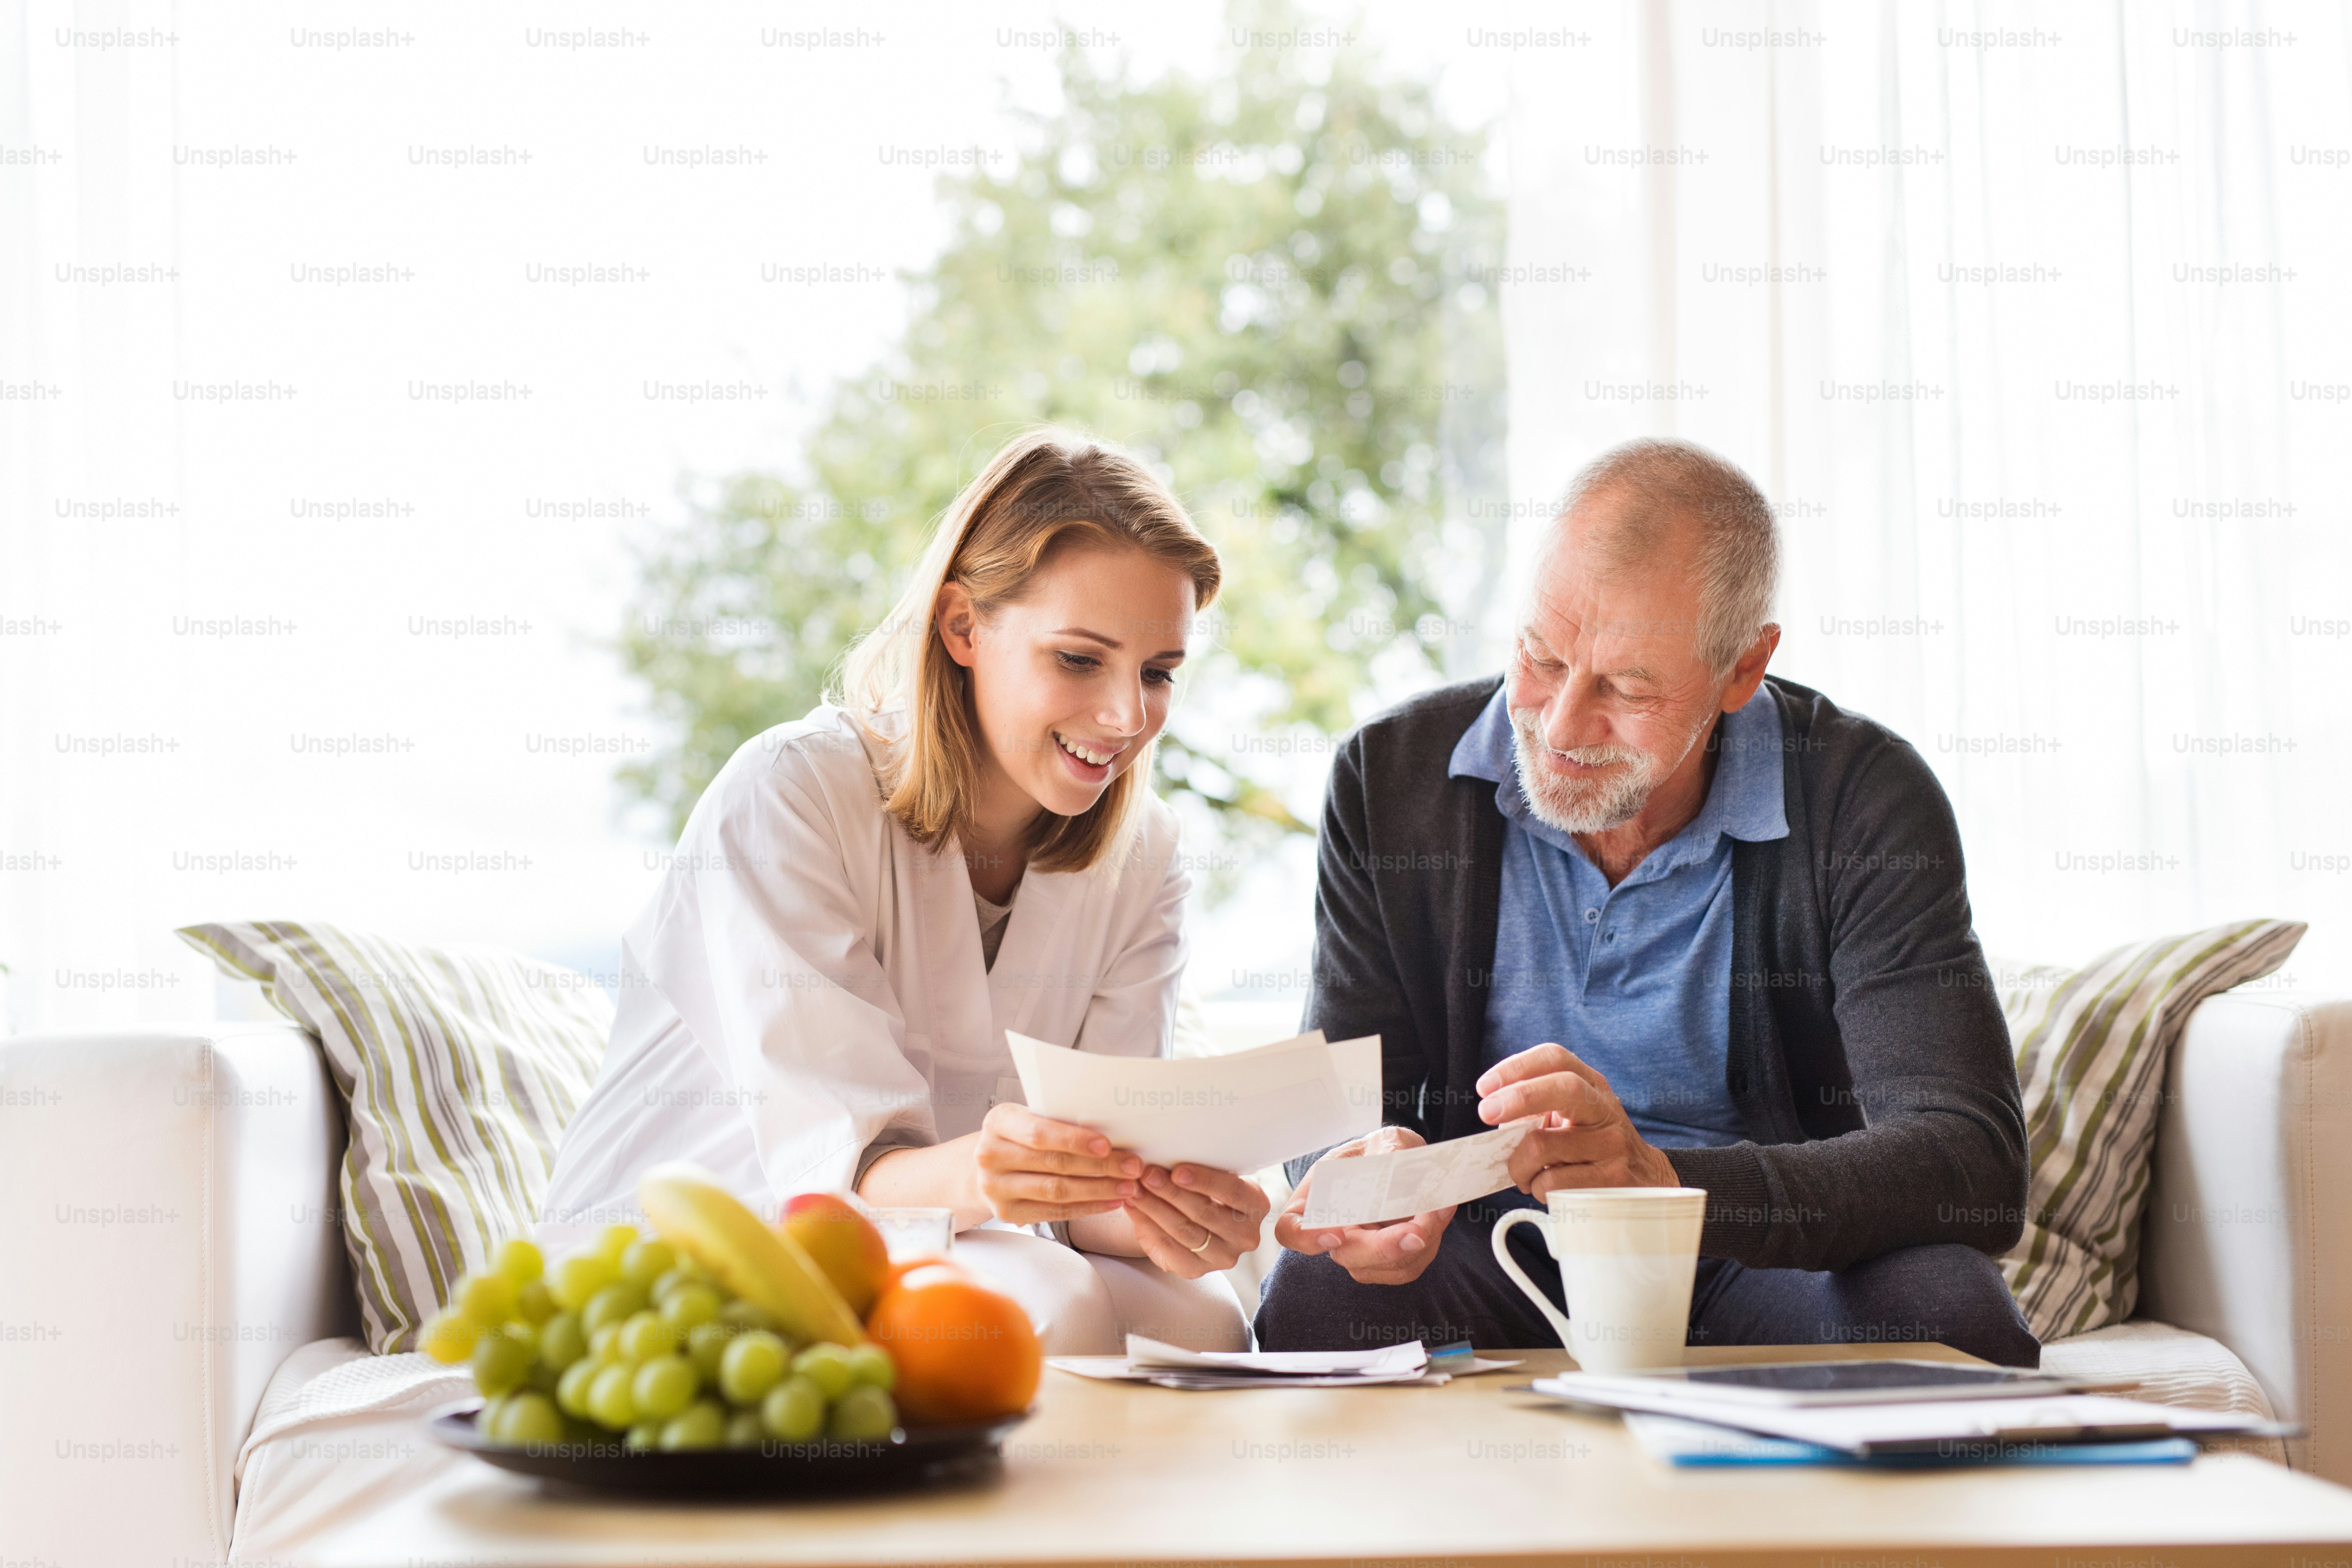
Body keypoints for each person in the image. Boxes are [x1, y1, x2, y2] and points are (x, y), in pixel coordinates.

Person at [1253, 437, 2040, 1367]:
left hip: (1759, 1255)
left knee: (1953, 1310)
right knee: (1313, 1299)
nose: (1559, 725)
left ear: (1743, 671)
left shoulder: (1862, 797)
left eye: (1627, 687)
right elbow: (1339, 1106)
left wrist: (1664, 1182)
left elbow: (1970, 1162)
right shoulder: (1391, 779)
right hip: (1503, 1246)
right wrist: (1364, 1184)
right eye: (1541, 658)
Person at [543, 429, 1268, 1353]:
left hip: (948, 1236)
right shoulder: (791, 792)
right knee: (1047, 1300)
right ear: (963, 626)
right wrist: (1008, 1176)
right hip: (724, 1240)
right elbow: (843, 1174)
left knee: (1206, 1320)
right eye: (1080, 659)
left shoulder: (1146, 850)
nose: (1128, 716)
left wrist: (1174, 1211)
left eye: (1158, 672)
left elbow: (1096, 1208)